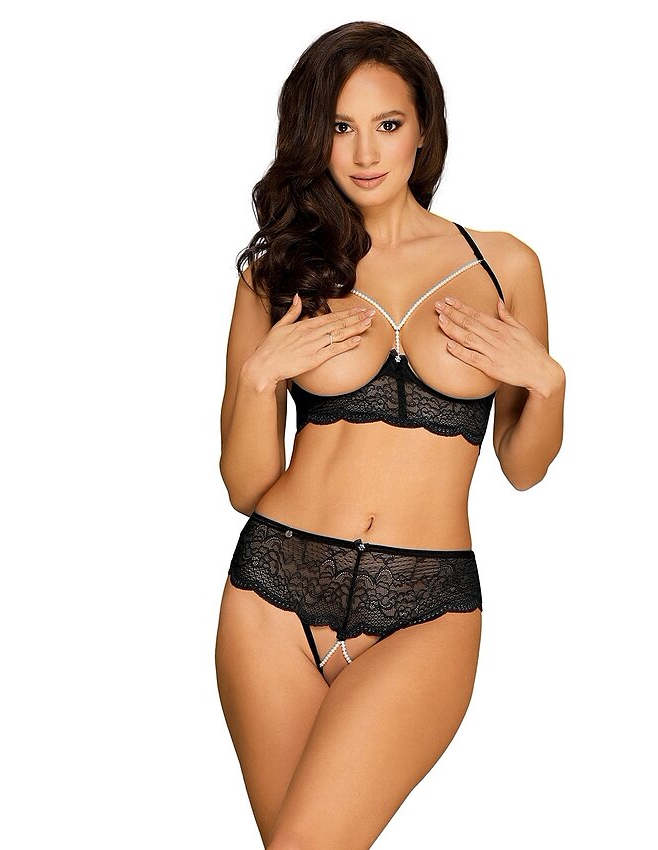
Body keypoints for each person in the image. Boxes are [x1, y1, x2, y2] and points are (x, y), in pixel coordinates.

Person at [215, 20, 566, 849]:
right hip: (272, 595)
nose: (365, 151)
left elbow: (523, 466)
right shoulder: (277, 275)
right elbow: (245, 486)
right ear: (313, 136)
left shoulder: (505, 266)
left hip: (426, 608)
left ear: (424, 131)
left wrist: (548, 383)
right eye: (341, 126)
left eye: (388, 123)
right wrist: (260, 379)